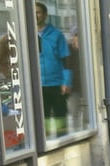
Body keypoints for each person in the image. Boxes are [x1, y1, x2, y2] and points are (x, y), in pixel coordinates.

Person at [35, 2, 71, 137]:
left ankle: (62, 142)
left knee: (60, 117)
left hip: (56, 84)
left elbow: (66, 59)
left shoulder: (56, 35)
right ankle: (46, 145)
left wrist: (66, 81)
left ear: (45, 15)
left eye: (38, 12)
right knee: (42, 119)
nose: (35, 15)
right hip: (38, 85)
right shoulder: (27, 35)